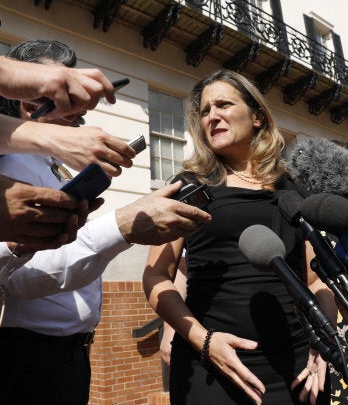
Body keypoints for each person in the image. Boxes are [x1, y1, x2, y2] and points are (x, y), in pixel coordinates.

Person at [0, 39, 210, 405]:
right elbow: (11, 278)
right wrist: (121, 227)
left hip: (64, 359)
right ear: (27, 98)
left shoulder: (51, 163)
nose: (79, 109)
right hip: (17, 363)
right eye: (66, 93)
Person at [143, 70, 336, 405]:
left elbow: (317, 281)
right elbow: (156, 275)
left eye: (223, 105)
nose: (212, 116)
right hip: (209, 367)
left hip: (293, 368)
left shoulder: (290, 187)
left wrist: (326, 343)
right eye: (204, 111)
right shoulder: (188, 186)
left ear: (257, 116)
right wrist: (203, 341)